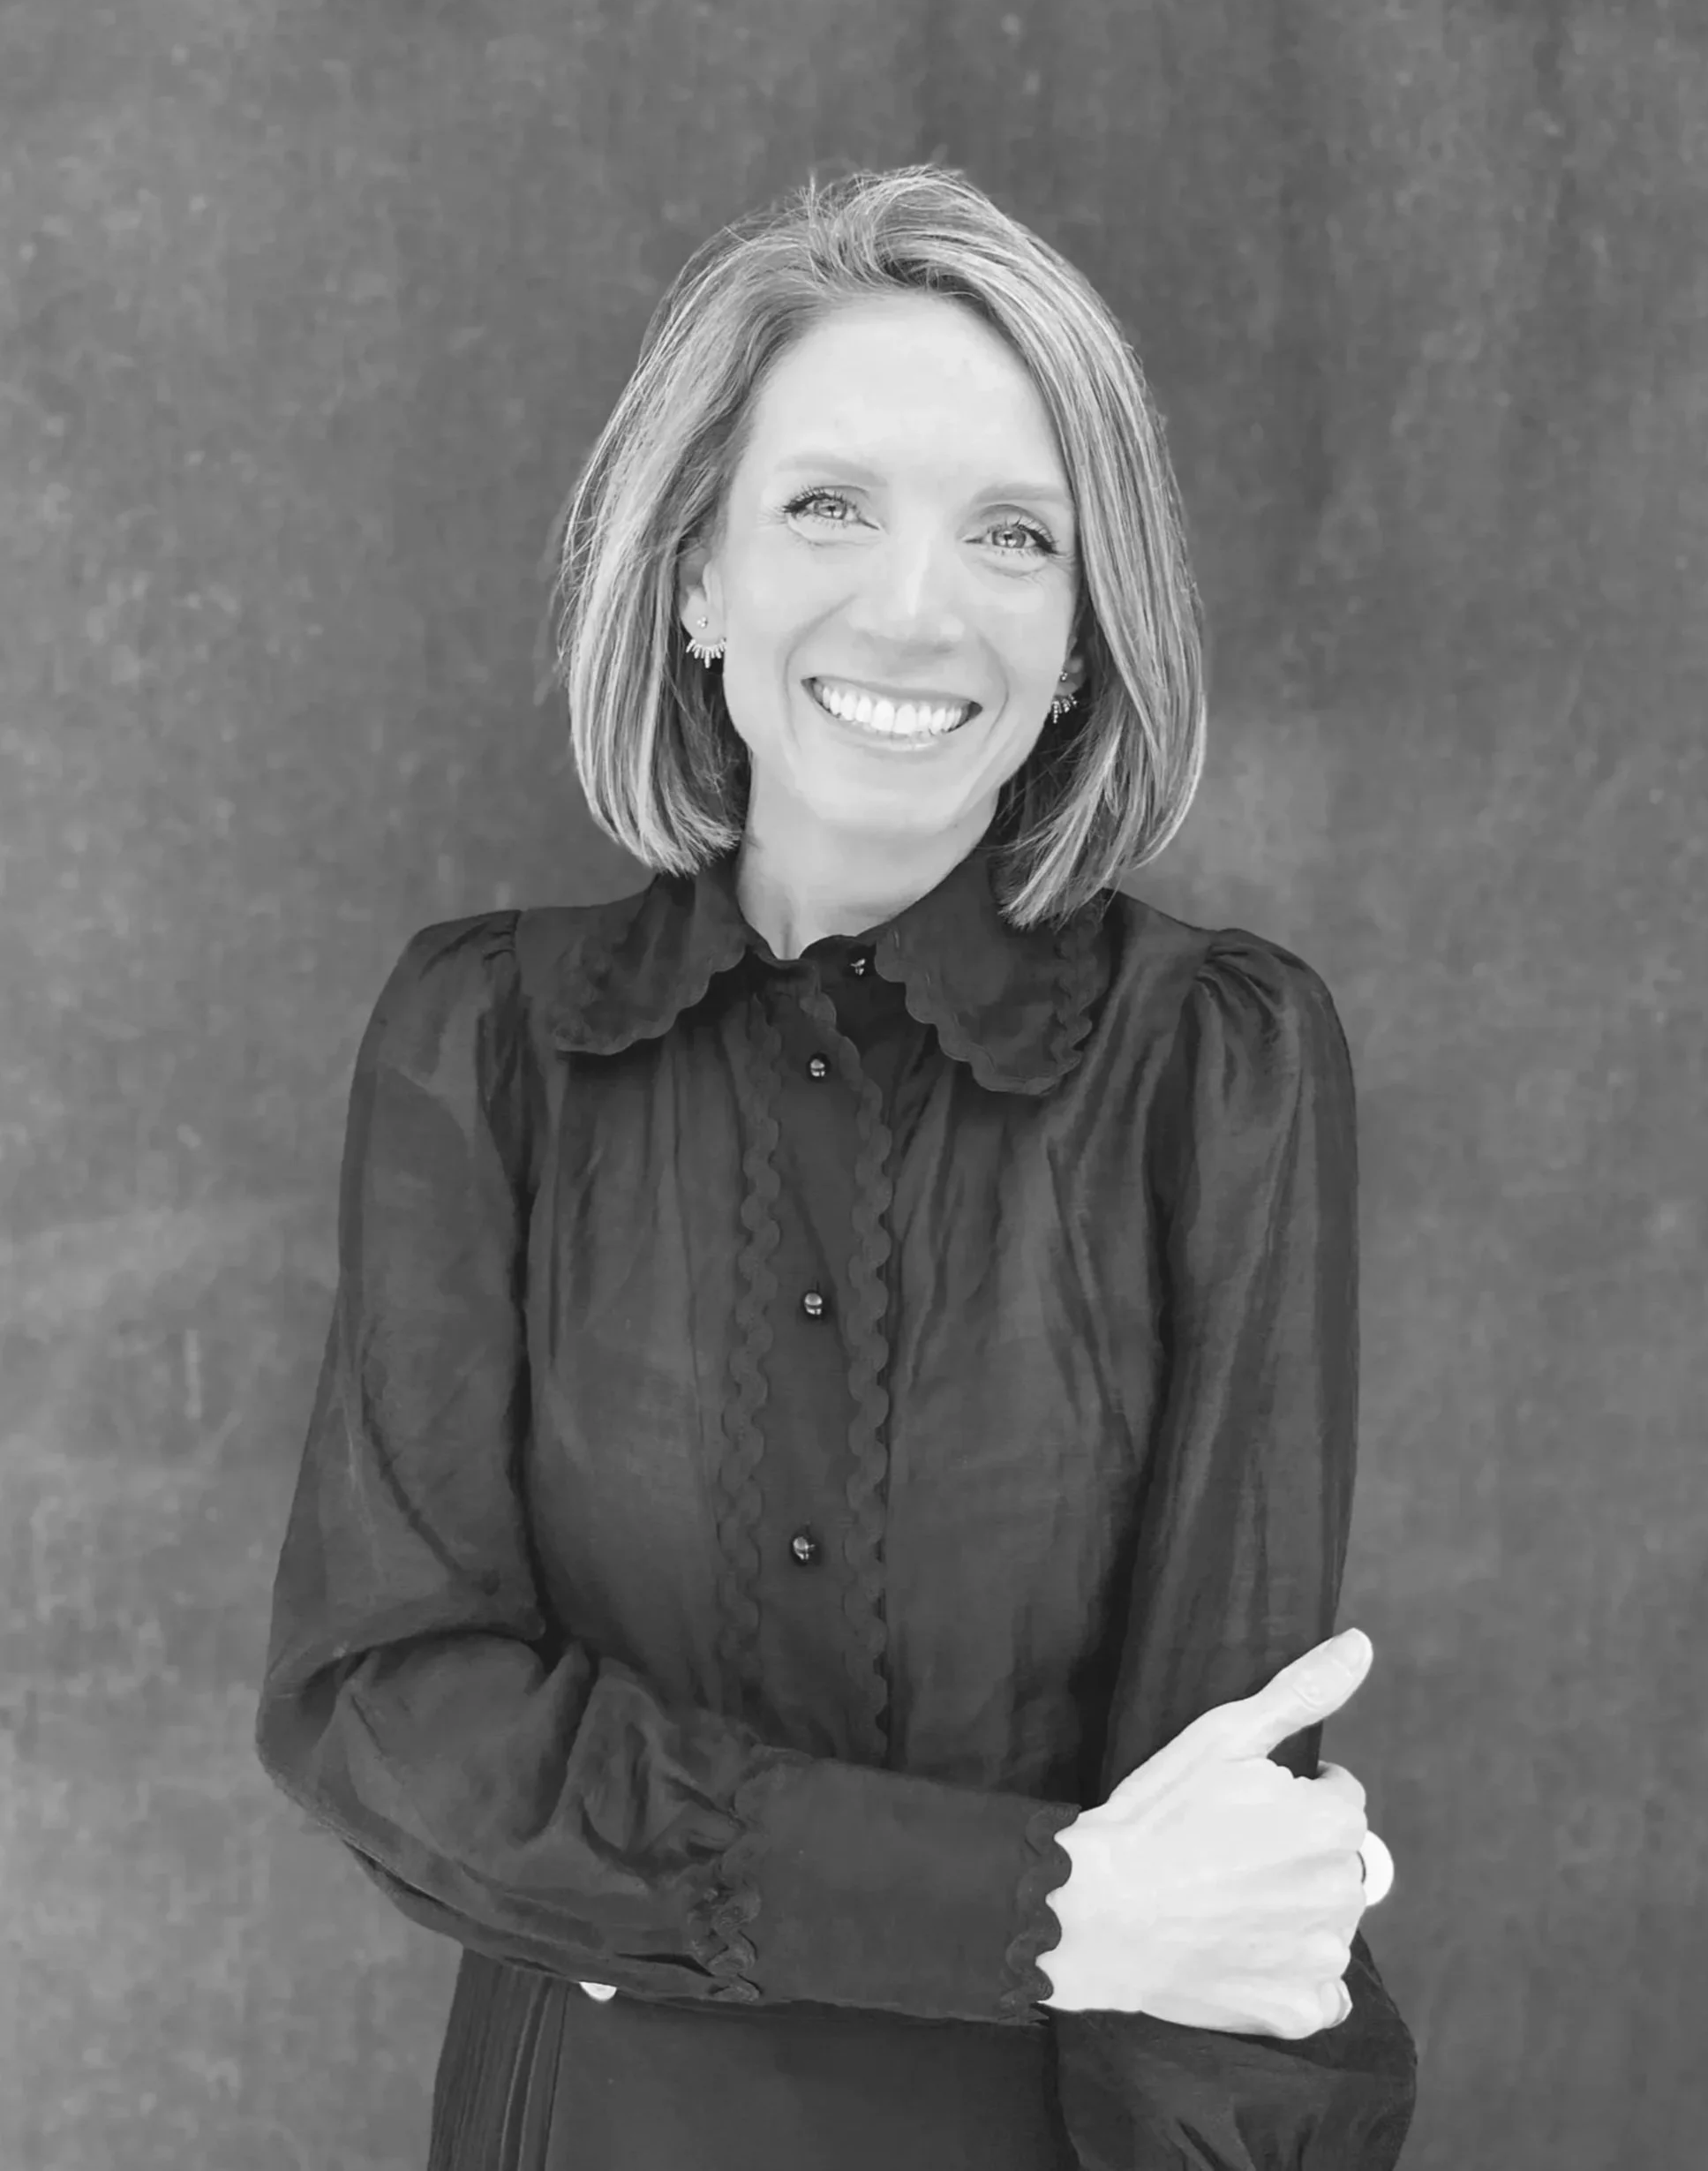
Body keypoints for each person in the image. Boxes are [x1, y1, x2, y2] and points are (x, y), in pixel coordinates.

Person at [254, 164, 1418, 2169]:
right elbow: (389, 1710)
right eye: (826, 506)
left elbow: (1226, 1864)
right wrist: (1046, 1911)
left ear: (1074, 641)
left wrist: (628, 1871)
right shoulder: (487, 1046)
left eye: (1009, 535)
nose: (913, 606)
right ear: (694, 576)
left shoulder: (1214, 1069)